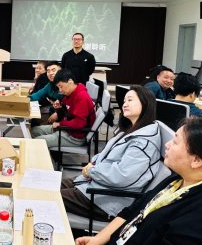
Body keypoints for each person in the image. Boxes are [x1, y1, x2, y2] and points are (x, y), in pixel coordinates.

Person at [60, 85, 162, 220]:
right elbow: (106, 155)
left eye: (130, 100)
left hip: (107, 199)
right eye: (124, 101)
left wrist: (92, 170)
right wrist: (93, 164)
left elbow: (123, 176)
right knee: (52, 184)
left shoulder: (144, 142)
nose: (124, 104)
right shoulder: (132, 129)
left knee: (51, 196)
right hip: (98, 184)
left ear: (145, 103)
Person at [31, 69, 95, 149]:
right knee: (33, 131)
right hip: (65, 129)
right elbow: (65, 112)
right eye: (58, 87)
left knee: (36, 142)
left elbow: (79, 123)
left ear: (70, 82)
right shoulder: (69, 94)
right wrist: (59, 108)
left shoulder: (82, 97)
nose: (60, 90)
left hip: (74, 137)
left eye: (61, 86)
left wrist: (60, 124)